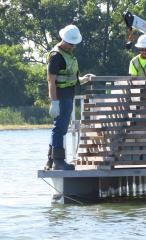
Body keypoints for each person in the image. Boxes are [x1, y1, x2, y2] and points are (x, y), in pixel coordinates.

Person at [44, 24, 93, 170]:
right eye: (71, 44)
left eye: (74, 44)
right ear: (63, 39)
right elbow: (51, 81)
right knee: (59, 128)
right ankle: (58, 161)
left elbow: (70, 75)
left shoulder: (68, 54)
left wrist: (83, 79)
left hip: (68, 95)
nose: (73, 46)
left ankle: (51, 161)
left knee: (60, 128)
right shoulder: (56, 56)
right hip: (60, 97)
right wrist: (54, 102)